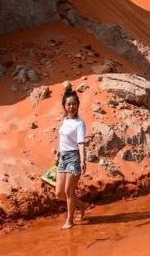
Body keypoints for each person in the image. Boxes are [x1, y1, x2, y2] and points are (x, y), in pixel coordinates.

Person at [55, 84, 90, 230]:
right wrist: (58, 153)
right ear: (64, 106)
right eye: (69, 104)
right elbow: (62, 138)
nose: (71, 107)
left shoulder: (79, 123)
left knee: (69, 192)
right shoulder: (65, 120)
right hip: (63, 157)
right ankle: (82, 205)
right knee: (59, 193)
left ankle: (70, 221)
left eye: (74, 104)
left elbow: (81, 143)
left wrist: (82, 160)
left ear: (78, 105)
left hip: (74, 158)